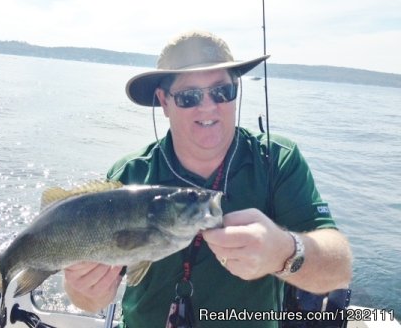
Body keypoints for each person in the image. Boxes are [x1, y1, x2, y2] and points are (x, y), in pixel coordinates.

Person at [63, 30, 352, 327]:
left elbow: (339, 269)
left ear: (236, 89)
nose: (208, 106)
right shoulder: (130, 176)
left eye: (221, 91)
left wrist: (283, 252)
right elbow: (88, 301)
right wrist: (84, 290)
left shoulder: (277, 160)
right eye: (189, 97)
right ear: (164, 102)